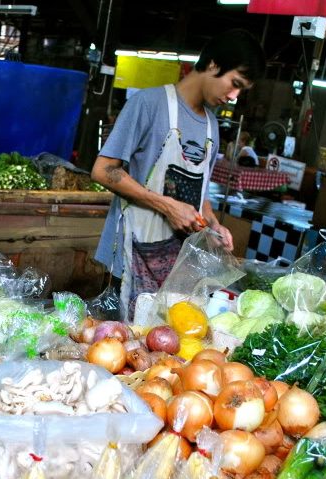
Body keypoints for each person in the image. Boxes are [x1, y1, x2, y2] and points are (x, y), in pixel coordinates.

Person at [91, 28, 265, 320]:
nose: (233, 96)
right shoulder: (148, 104)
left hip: (175, 265)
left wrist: (212, 224)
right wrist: (168, 206)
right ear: (212, 64)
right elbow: (102, 169)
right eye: (234, 84)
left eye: (241, 91)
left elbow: (201, 193)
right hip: (130, 255)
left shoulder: (212, 126)